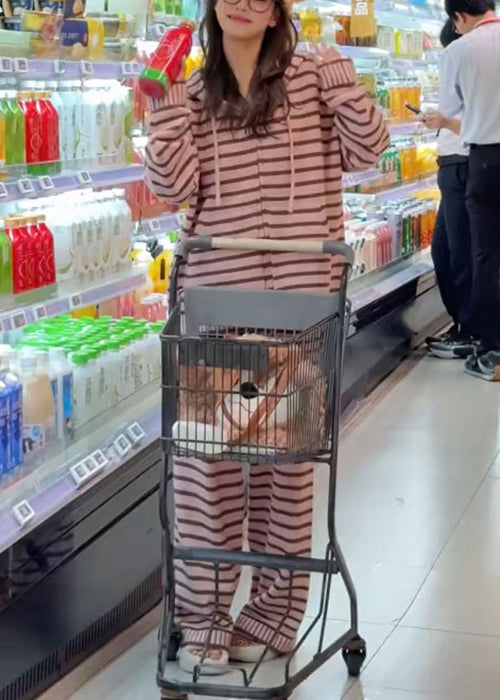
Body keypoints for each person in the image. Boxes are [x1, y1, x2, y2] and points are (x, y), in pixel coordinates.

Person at [145, 0, 389, 676]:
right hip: (215, 311)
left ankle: (277, 615)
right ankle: (203, 618)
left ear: (281, 9)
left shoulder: (312, 77)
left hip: (300, 313)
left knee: (288, 469)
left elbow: (369, 150)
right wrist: (163, 108)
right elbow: (171, 188)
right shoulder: (195, 92)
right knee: (206, 471)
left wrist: (341, 74)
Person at [434, 0, 500, 380]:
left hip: (486, 159)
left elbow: (450, 107)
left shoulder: (460, 49)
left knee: (485, 255)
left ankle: (491, 349)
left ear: (459, 16)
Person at [423, 19, 474, 359]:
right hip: (453, 167)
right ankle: (463, 326)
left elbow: (482, 121)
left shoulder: (476, 66)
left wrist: (444, 122)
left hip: (464, 165)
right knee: (444, 250)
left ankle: (470, 331)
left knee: (460, 252)